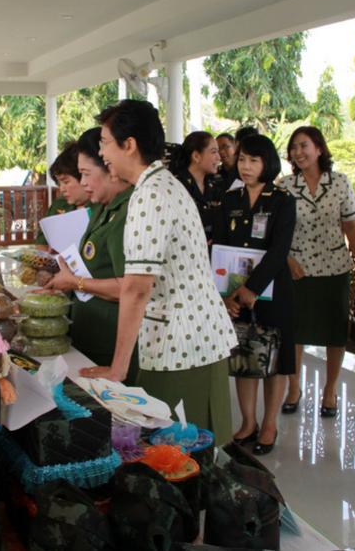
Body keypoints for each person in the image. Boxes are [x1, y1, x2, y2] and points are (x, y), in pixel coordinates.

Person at [79, 100, 237, 438]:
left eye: (105, 142)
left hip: (180, 344)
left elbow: (136, 288)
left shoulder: (150, 194)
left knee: (179, 447)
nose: (102, 153)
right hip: (192, 338)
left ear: (129, 144)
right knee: (192, 447)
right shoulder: (162, 184)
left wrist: (117, 369)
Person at [213, 134, 296, 455]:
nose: (246, 167)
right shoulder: (228, 199)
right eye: (242, 160)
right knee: (244, 355)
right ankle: (248, 422)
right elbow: (220, 248)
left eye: (254, 161)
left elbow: (279, 251)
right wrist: (226, 296)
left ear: (267, 163)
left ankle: (270, 424)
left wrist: (252, 289)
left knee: (275, 359)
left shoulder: (282, 200)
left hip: (273, 292)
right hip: (235, 295)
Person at [278, 126, 355, 418]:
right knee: (295, 332)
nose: (298, 152)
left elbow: (351, 227)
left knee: (335, 332)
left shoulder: (340, 182)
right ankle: (294, 388)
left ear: (319, 148)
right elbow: (277, 231)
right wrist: (288, 260)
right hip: (298, 270)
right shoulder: (285, 186)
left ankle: (330, 390)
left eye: (304, 145)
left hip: (335, 269)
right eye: (294, 147)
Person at [44, 127, 138, 383]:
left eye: (85, 174)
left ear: (110, 168)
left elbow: (129, 287)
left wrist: (75, 282)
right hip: (90, 330)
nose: (82, 183)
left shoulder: (129, 211)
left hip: (111, 337)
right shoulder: (102, 208)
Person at [36, 141, 92, 249]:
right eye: (59, 183)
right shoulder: (59, 205)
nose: (61, 189)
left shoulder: (101, 208)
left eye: (66, 182)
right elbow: (41, 244)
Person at [171, 131, 223, 241]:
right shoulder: (176, 186)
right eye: (213, 152)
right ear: (196, 156)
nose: (219, 157)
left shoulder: (214, 186)